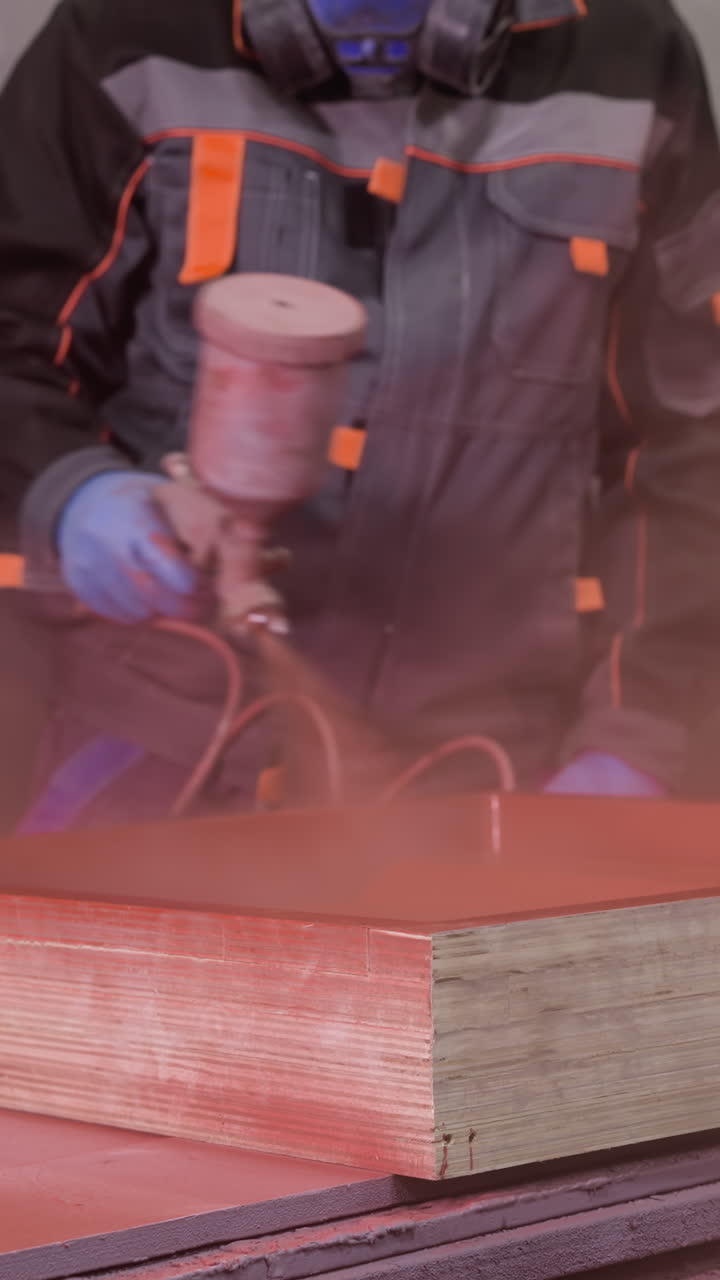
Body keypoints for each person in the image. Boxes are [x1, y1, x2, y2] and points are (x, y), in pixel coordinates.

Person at [1, 0, 719, 827]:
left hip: (491, 778)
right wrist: (69, 493)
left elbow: (691, 441)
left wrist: (636, 738)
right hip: (156, 756)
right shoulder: (126, 33)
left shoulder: (626, 55)